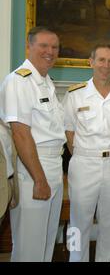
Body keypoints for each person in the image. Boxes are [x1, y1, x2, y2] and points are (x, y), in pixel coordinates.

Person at [0, 26, 66, 262]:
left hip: (53, 166)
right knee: (29, 247)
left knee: (46, 243)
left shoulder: (45, 81)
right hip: (32, 170)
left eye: (54, 47)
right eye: (44, 46)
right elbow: (20, 134)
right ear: (28, 47)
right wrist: (39, 179)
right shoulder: (19, 81)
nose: (50, 51)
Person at [62, 44, 110, 262]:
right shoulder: (75, 94)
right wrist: (85, 155)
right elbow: (69, 133)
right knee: (78, 221)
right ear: (91, 62)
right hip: (84, 163)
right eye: (101, 60)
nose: (105, 65)